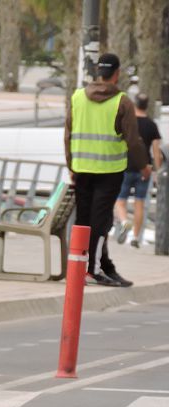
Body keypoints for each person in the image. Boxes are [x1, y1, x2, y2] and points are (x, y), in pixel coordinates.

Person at [64, 53, 151, 287]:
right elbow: (133, 140)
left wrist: (71, 164)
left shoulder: (78, 97)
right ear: (117, 74)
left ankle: (88, 266)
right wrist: (144, 165)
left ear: (97, 73)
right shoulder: (122, 101)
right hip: (110, 170)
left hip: (82, 169)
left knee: (84, 220)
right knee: (101, 222)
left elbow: (68, 135)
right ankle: (92, 269)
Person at [113, 93, 162, 248]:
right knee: (140, 203)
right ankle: (135, 237)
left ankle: (124, 221)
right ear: (147, 105)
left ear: (135, 105)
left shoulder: (128, 122)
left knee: (120, 200)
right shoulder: (151, 125)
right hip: (144, 169)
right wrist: (158, 171)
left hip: (126, 166)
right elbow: (156, 151)